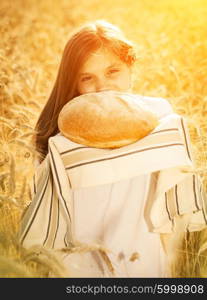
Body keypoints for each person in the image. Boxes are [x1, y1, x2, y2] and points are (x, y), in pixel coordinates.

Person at [19, 20, 207, 278]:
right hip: (79, 269)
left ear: (130, 68)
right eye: (87, 78)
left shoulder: (160, 121)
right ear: (74, 84)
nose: (102, 87)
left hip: (143, 262)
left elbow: (170, 207)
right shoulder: (61, 141)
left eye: (112, 72)